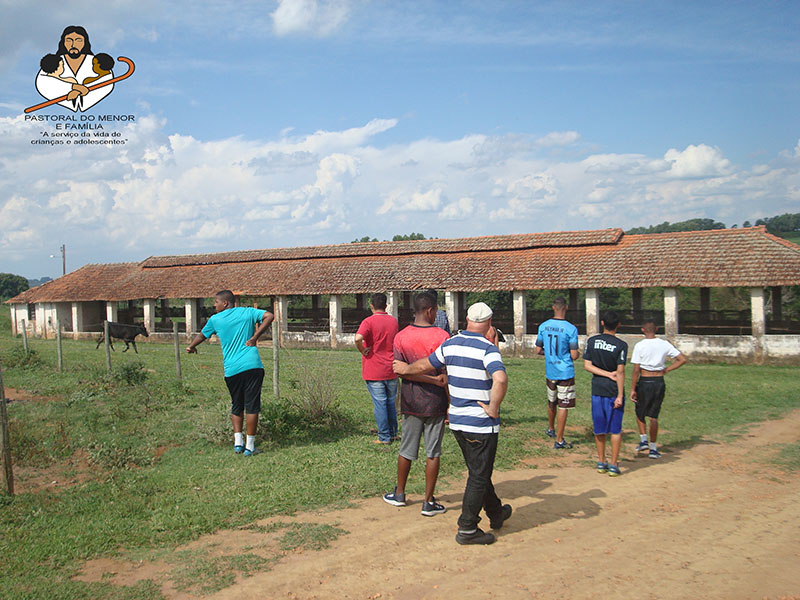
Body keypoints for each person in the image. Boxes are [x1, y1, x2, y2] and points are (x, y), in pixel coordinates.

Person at [394, 302, 511, 545]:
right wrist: (493, 407)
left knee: (479, 470)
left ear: (467, 319)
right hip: (481, 423)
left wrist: (407, 369)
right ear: (490, 324)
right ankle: (467, 526)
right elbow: (500, 379)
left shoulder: (451, 343)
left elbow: (426, 364)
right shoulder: (488, 349)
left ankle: (495, 512)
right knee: (479, 474)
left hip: (457, 421)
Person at [383, 291, 450, 516]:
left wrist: (415, 374)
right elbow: (445, 376)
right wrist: (437, 383)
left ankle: (400, 493)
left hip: (411, 400)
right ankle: (428, 501)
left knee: (406, 449)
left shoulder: (402, 336)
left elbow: (401, 371)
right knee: (433, 452)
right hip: (436, 402)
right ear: (430, 310)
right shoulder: (442, 337)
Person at [186, 290, 274, 456]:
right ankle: (250, 447)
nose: (214, 305)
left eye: (216, 302)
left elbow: (202, 335)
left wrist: (191, 347)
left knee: (237, 405)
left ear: (225, 303)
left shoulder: (215, 320)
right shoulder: (248, 312)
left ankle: (238, 443)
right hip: (252, 365)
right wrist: (255, 337)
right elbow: (269, 316)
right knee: (252, 406)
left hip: (232, 369)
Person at [630, 321, 687, 459]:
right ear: (656, 329)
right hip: (658, 381)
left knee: (640, 410)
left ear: (643, 330)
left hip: (645, 379)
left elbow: (636, 369)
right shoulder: (664, 344)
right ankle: (653, 447)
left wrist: (632, 388)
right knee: (654, 415)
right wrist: (667, 369)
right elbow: (681, 359)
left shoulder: (640, 345)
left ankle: (644, 439)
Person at [583, 311, 628, 477]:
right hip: (613, 390)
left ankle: (602, 461)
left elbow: (587, 366)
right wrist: (620, 395)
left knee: (599, 428)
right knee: (615, 430)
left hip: (597, 389)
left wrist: (603, 374)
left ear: (602, 323)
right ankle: (614, 464)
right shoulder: (621, 345)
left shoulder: (592, 341)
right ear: (618, 325)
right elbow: (621, 372)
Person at [35, 26, 114, 112]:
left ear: (85, 42)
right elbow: (42, 82)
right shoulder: (54, 61)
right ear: (63, 42)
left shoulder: (96, 60)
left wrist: (79, 92)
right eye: (69, 40)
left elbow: (107, 79)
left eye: (78, 40)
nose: (73, 45)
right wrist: (72, 87)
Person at [535, 296, 579, 449]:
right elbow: (574, 355)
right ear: (565, 308)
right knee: (563, 405)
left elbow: (538, 349)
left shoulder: (543, 326)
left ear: (553, 308)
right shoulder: (571, 329)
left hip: (550, 370)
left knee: (551, 401)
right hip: (565, 372)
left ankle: (551, 428)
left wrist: (549, 355)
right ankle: (560, 440)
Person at [355, 293, 399, 444]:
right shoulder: (393, 321)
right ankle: (393, 433)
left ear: (371, 306)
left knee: (380, 403)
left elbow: (357, 338)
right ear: (386, 305)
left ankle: (384, 436)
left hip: (374, 369)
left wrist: (362, 349)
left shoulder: (368, 322)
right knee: (390, 402)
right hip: (391, 367)